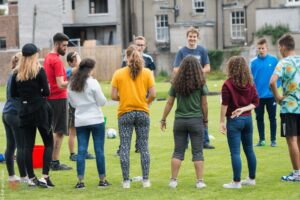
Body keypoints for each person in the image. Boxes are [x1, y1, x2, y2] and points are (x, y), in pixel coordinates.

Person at [111, 44, 156, 189]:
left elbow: (113, 96)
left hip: (125, 113)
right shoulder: (148, 72)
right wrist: (145, 102)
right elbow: (153, 94)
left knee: (124, 147)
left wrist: (124, 98)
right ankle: (146, 180)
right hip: (143, 112)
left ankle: (126, 181)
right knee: (144, 146)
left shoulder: (118, 73)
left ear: (126, 57)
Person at [161, 56, 208, 189]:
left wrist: (163, 119)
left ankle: (173, 180)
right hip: (196, 120)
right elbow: (204, 104)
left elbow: (169, 102)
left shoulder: (176, 82)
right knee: (198, 152)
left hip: (180, 121)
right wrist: (205, 120)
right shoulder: (201, 82)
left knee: (178, 151)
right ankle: (199, 181)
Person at [11, 43, 54, 187]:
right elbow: (47, 92)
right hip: (40, 110)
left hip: (25, 111)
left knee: (28, 146)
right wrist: (38, 94)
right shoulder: (39, 70)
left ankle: (31, 178)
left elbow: (13, 94)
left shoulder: (17, 73)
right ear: (35, 55)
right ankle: (45, 176)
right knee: (48, 143)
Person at [68, 58, 111, 189]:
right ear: (91, 69)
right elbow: (102, 101)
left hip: (80, 120)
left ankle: (80, 181)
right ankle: (102, 180)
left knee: (81, 150)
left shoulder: (71, 84)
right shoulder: (93, 83)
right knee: (99, 150)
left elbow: (72, 104)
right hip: (96, 119)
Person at [220, 56, 259, 189]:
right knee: (249, 150)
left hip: (234, 120)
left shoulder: (227, 84)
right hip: (248, 120)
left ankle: (236, 182)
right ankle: (251, 179)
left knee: (235, 152)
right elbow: (255, 102)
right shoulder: (250, 82)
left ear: (231, 67)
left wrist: (221, 121)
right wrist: (244, 109)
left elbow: (224, 105)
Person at [173, 26, 214, 149]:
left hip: (199, 83)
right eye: (190, 36)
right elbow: (175, 68)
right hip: (185, 85)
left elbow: (208, 67)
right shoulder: (181, 52)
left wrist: (197, 71)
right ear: (187, 37)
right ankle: (184, 142)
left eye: (194, 36)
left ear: (197, 38)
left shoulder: (202, 50)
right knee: (186, 111)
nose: (192, 38)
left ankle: (205, 141)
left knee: (202, 110)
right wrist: (186, 73)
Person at [117, 36, 156, 154]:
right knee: (125, 125)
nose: (139, 47)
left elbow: (151, 78)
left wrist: (147, 100)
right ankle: (122, 147)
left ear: (145, 46)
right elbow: (122, 77)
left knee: (142, 123)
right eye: (137, 45)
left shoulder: (148, 59)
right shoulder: (126, 59)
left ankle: (140, 146)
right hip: (128, 97)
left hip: (143, 97)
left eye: (141, 45)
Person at [270, 34, 300, 182]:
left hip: (290, 108)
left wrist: (278, 98)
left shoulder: (283, 62)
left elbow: (272, 82)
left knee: (292, 140)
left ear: (282, 47)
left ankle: (296, 174)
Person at [44, 32, 72, 170]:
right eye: (64, 45)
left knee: (53, 130)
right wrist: (74, 81)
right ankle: (54, 162)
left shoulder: (48, 57)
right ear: (56, 44)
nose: (66, 48)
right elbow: (61, 84)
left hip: (50, 98)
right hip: (58, 98)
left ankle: (50, 160)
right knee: (59, 131)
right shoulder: (56, 60)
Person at [2, 52, 28, 185]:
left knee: (10, 146)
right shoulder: (19, 75)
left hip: (6, 113)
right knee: (21, 146)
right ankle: (24, 177)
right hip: (15, 114)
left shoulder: (11, 74)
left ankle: (12, 176)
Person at [66, 52, 95, 161]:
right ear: (70, 62)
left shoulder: (82, 71)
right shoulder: (69, 71)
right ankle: (73, 154)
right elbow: (78, 68)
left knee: (84, 130)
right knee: (73, 131)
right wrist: (79, 60)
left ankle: (84, 151)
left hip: (84, 105)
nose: (77, 59)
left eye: (77, 57)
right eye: (74, 58)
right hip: (73, 105)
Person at [250, 38, 279, 147]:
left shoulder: (274, 60)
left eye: (263, 48)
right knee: (259, 118)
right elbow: (250, 79)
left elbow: (279, 77)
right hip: (258, 97)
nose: (261, 50)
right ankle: (262, 140)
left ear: (267, 48)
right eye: (259, 48)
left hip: (271, 96)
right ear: (257, 49)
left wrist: (276, 88)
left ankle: (273, 140)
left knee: (272, 118)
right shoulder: (253, 62)